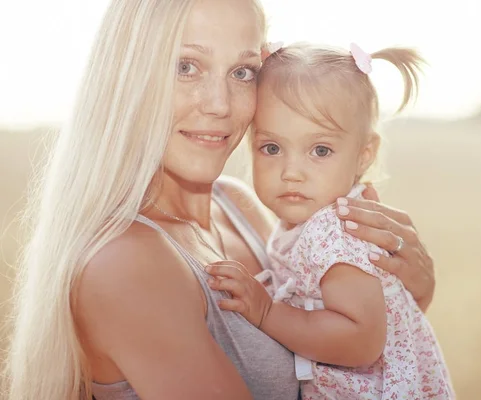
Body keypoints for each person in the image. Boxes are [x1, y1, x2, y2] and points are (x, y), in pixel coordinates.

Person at [4, 1, 436, 399]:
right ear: (127, 76)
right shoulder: (125, 264)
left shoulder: (240, 208)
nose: (219, 105)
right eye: (186, 66)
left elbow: (339, 339)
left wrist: (410, 291)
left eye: (242, 72)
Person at [206, 42, 454, 399]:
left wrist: (267, 312)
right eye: (272, 148)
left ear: (363, 155)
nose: (291, 172)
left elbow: (361, 340)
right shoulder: (306, 222)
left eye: (320, 150)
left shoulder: (335, 230)